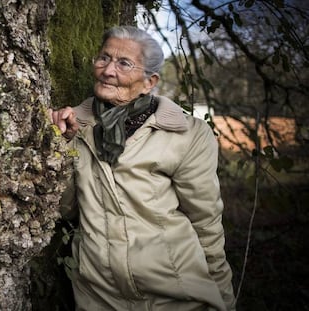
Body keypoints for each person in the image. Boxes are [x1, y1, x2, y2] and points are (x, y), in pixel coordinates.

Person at [49, 25, 236, 311]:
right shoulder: (76, 125)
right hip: (98, 295)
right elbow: (66, 210)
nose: (108, 70)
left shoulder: (187, 134)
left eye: (124, 63)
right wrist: (61, 146)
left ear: (150, 82)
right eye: (104, 58)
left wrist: (223, 297)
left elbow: (205, 221)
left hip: (176, 292)